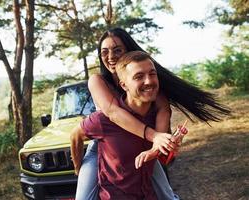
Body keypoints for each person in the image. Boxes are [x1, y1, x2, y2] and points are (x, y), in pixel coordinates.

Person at [74, 27, 231, 200]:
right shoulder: (98, 80)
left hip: (142, 141)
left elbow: (163, 108)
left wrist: (162, 142)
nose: (110, 56)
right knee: (84, 196)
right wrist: (154, 135)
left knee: (166, 194)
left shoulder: (144, 78)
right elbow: (112, 112)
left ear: (128, 51)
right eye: (105, 52)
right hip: (106, 145)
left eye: (117, 50)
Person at [71, 51, 184, 199]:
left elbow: (163, 157)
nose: (149, 81)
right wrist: (78, 167)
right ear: (123, 85)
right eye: (139, 77)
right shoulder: (103, 120)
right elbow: (75, 135)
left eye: (152, 74)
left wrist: (170, 147)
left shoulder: (157, 116)